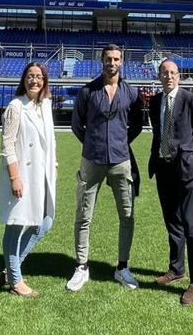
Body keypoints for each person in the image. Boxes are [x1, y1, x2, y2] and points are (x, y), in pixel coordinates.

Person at [134, 59, 193, 306]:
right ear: (159, 76)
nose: (169, 76)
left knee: (192, 226)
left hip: (186, 170)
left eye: (173, 73)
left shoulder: (190, 99)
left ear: (179, 76)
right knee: (172, 223)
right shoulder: (157, 101)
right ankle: (176, 268)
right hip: (163, 169)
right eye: (164, 73)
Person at [67, 44, 142, 291]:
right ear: (102, 61)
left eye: (116, 58)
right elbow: (77, 125)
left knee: (127, 216)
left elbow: (138, 125)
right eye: (108, 58)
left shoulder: (131, 92)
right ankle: (82, 266)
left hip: (121, 161)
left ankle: (122, 268)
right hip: (92, 160)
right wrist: (94, 143)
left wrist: (119, 142)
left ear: (122, 61)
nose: (112, 62)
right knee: (84, 215)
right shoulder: (88, 91)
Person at [0, 62, 57, 297]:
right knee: (16, 227)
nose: (35, 81)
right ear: (23, 79)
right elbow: (7, 145)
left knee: (44, 222)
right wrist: (15, 177)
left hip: (41, 175)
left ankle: (11, 269)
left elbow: (50, 141)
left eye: (39, 77)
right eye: (31, 76)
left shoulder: (45, 105)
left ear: (45, 81)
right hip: (21, 175)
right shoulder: (16, 107)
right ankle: (15, 280)